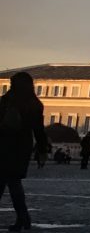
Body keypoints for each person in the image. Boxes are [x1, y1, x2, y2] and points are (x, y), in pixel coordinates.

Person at [1, 72, 51, 231]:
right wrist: (42, 149)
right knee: (14, 182)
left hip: (5, 144)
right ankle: (23, 218)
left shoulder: (7, 100)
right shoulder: (35, 104)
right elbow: (39, 130)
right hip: (22, 147)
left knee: (6, 182)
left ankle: (23, 218)